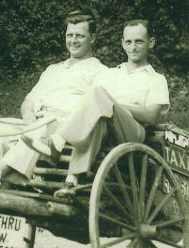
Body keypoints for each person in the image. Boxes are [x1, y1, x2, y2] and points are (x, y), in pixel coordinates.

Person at [0, 10, 108, 187]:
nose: (73, 41)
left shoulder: (100, 72)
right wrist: (28, 114)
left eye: (80, 36)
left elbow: (91, 110)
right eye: (70, 35)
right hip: (36, 124)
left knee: (38, 131)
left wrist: (51, 123)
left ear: (92, 38)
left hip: (61, 131)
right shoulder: (53, 70)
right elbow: (29, 100)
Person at [22, 18, 169, 189]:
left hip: (133, 132)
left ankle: (57, 141)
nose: (133, 47)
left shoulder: (156, 79)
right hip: (106, 126)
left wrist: (114, 104)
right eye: (128, 42)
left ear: (150, 43)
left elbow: (151, 116)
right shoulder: (111, 73)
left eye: (139, 42)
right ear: (122, 43)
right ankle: (72, 179)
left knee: (98, 95)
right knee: (96, 114)